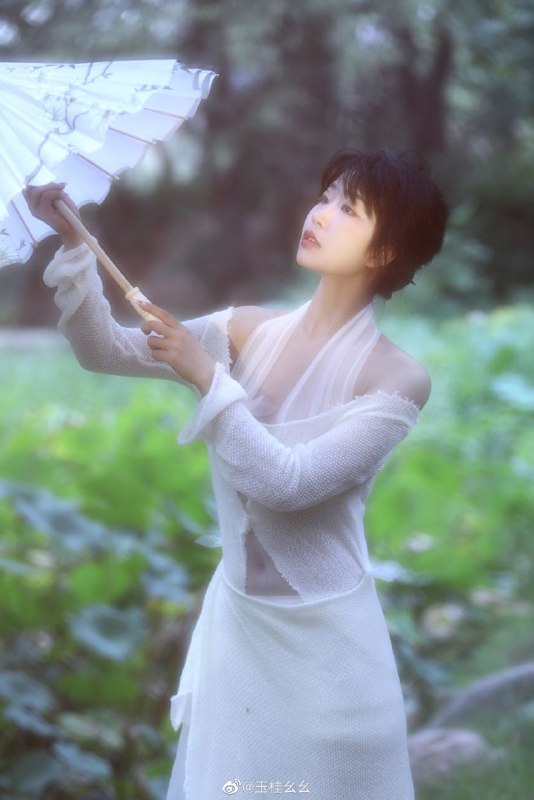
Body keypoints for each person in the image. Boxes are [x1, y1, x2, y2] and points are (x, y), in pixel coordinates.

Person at [24, 147, 448, 800]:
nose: (320, 214)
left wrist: (206, 377)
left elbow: (288, 485)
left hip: (330, 658)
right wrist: (77, 244)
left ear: (386, 251)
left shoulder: (397, 378)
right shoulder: (244, 330)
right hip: (239, 639)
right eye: (325, 197)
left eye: (349, 209)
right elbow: (102, 350)